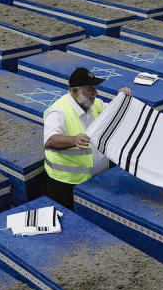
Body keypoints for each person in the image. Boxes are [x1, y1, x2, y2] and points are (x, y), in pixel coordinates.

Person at [43, 67, 132, 209]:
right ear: (74, 91)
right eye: (90, 89)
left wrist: (121, 98)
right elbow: (50, 140)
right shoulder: (59, 111)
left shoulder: (95, 104)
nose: (95, 93)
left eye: (95, 88)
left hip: (97, 180)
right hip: (66, 185)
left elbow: (112, 113)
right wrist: (73, 140)